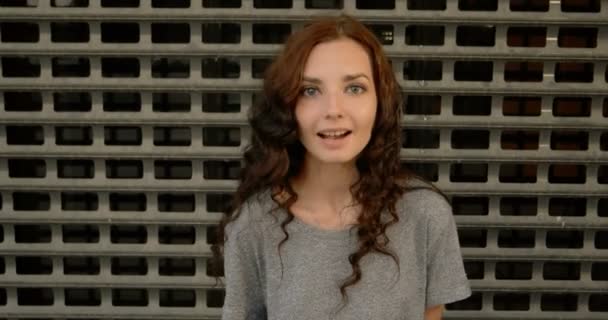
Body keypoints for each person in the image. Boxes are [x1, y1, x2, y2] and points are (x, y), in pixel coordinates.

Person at [211, 15, 471, 320]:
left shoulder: (425, 214)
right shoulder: (253, 225)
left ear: (380, 101)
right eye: (310, 90)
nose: (333, 110)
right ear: (287, 106)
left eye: (355, 88)